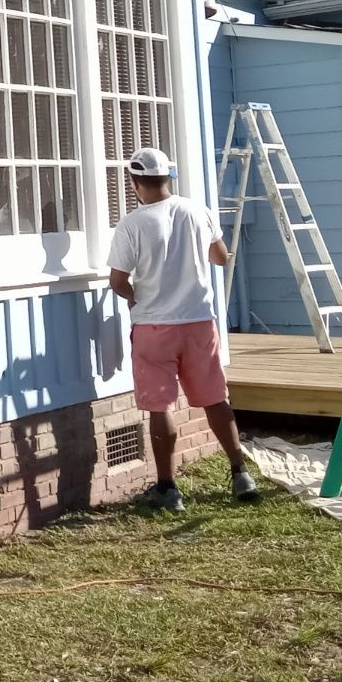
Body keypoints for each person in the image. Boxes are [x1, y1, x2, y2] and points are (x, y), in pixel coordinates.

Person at [106, 146, 257, 512]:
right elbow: (220, 256)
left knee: (159, 405)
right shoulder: (196, 210)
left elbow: (118, 281)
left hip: (154, 326)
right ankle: (240, 473)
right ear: (168, 178)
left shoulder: (133, 224)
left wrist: (136, 297)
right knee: (214, 397)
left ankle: (168, 488)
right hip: (198, 321)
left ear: (135, 182)